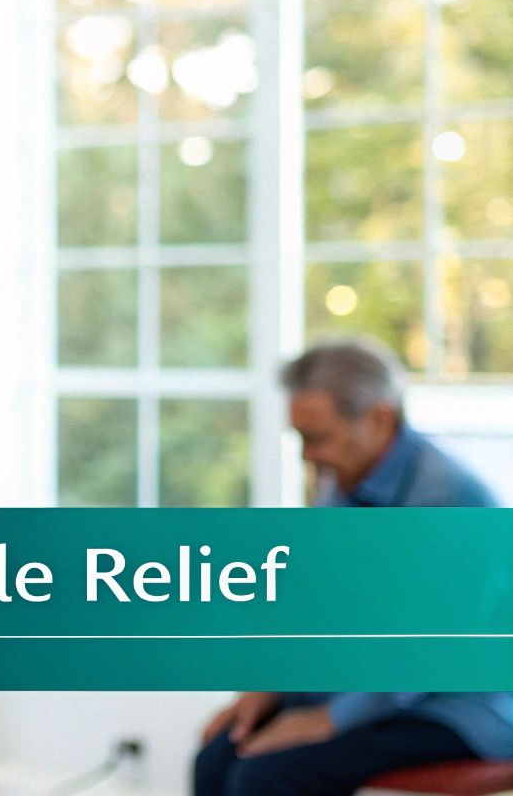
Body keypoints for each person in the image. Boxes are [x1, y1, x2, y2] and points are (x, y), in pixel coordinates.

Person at [193, 337, 513, 795]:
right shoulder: (342, 482)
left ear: (380, 419)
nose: (307, 455)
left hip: (453, 707)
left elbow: (428, 651)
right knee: (218, 757)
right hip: (370, 694)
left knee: (267, 775)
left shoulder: (452, 502)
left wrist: (329, 719)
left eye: (317, 438)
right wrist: (269, 689)